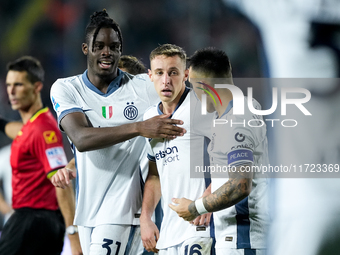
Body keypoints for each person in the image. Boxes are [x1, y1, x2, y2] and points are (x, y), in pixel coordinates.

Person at [49, 10, 185, 255]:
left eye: (114, 46)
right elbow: (80, 138)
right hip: (88, 211)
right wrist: (139, 128)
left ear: (121, 50)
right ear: (85, 48)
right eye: (99, 45)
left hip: (124, 211)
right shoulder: (66, 88)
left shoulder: (142, 87)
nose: (106, 52)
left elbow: (187, 93)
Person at [170, 47, 270, 255]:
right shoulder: (235, 112)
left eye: (195, 89)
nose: (195, 97)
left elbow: (241, 184)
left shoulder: (237, 120)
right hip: (235, 239)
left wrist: (195, 207)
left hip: (243, 241)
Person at [0, 56, 82, 255]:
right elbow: (21, 132)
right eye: (9, 84)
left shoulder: (43, 130)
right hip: (36, 221)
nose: (11, 91)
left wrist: (73, 236)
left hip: (34, 222)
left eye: (18, 85)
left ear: (36, 87)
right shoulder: (32, 127)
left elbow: (61, 182)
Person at [140, 44, 214, 254]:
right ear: (150, 76)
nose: (166, 80)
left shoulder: (202, 107)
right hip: (169, 234)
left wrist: (207, 199)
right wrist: (146, 218)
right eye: (160, 73)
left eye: (173, 72)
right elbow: (154, 175)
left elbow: (230, 157)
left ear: (186, 75)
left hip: (201, 228)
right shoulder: (149, 119)